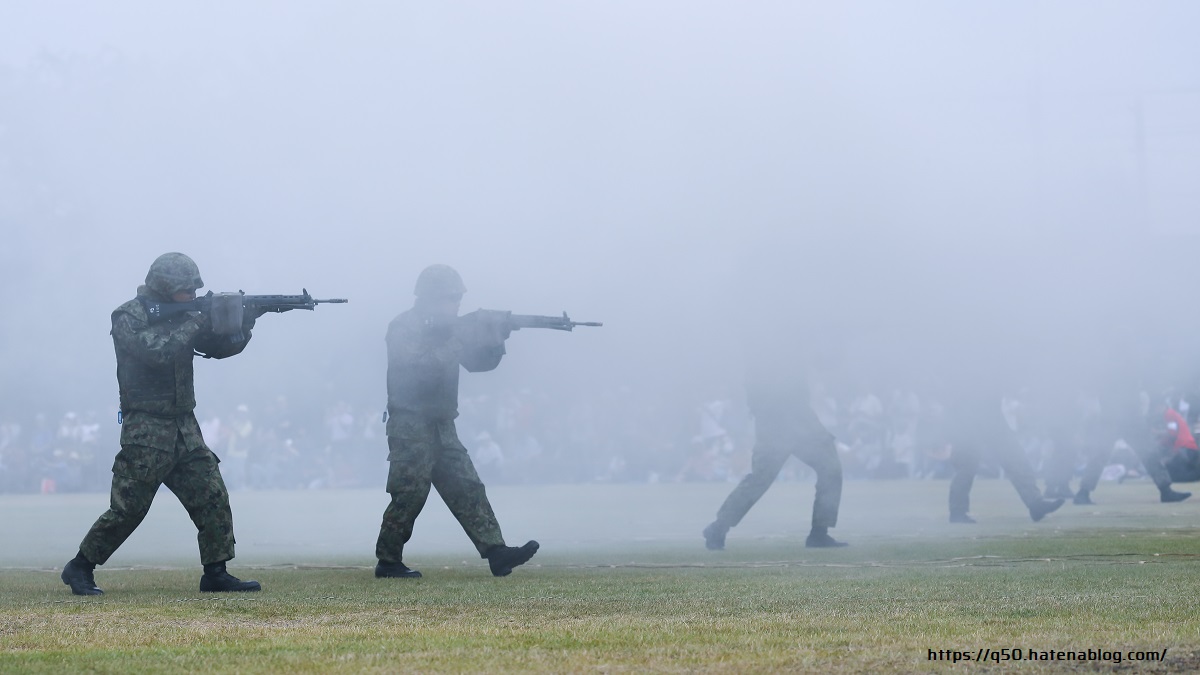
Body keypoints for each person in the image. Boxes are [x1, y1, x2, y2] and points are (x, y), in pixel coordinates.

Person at [60, 253, 262, 596]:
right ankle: (80, 566)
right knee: (128, 508)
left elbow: (217, 347)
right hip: (146, 429)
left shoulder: (185, 314)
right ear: (165, 288)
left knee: (212, 496)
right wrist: (196, 320)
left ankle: (215, 572)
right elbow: (155, 352)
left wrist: (243, 325)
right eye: (186, 290)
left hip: (184, 425)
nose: (192, 297)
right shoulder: (129, 316)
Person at [374, 264, 539, 579]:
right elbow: (417, 366)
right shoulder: (403, 327)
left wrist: (495, 339)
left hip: (442, 424)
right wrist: (459, 340)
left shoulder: (450, 330)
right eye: (450, 298)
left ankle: (496, 551)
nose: (456, 304)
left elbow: (479, 364)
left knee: (467, 487)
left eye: (458, 298)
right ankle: (388, 560)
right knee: (410, 492)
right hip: (410, 425)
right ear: (429, 298)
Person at [702, 340, 848, 550]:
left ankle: (819, 532)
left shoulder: (778, 341)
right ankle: (719, 527)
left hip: (791, 419)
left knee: (828, 469)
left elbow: (819, 360)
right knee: (763, 478)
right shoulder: (767, 345)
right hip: (782, 419)